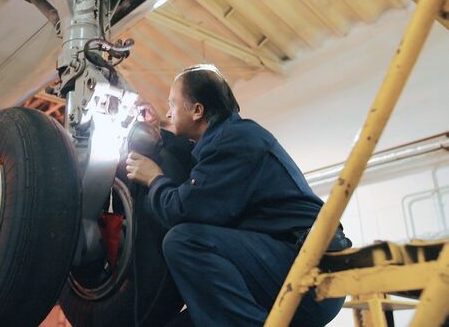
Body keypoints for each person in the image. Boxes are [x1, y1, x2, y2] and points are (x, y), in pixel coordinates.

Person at [125, 64, 350, 327]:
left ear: (197, 110)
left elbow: (182, 209)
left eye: (173, 104)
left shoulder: (236, 141)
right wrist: (158, 134)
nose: (167, 112)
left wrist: (154, 179)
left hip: (308, 272)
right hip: (281, 266)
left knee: (183, 240)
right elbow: (198, 166)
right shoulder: (228, 140)